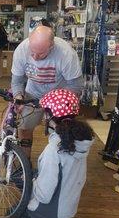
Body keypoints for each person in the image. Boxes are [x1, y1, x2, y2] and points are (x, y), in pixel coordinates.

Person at [11, 88, 94, 218]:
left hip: (50, 209)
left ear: (51, 116)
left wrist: (30, 181)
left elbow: (44, 194)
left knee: (11, 214)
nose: (43, 118)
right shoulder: (77, 142)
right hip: (69, 205)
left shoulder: (53, 150)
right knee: (29, 175)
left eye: (45, 114)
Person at [11, 25, 83, 159]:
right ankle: (23, 166)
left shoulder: (66, 53)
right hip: (33, 94)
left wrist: (54, 103)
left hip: (59, 98)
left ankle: (57, 165)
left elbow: (76, 85)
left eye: (41, 53)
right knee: (24, 127)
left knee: (60, 134)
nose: (35, 57)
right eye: (32, 52)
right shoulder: (21, 50)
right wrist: (18, 95)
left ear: (52, 46)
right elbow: (17, 81)